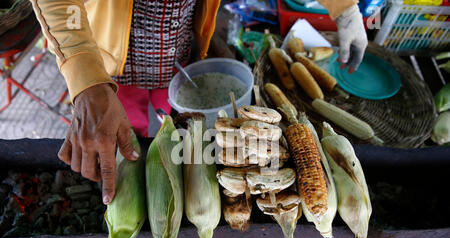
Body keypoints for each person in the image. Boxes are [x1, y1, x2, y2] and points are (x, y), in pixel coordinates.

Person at [29, 0, 368, 205]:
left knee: (171, 130)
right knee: (125, 148)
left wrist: (345, 8)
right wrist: (84, 75)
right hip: (109, 70)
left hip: (178, 55)